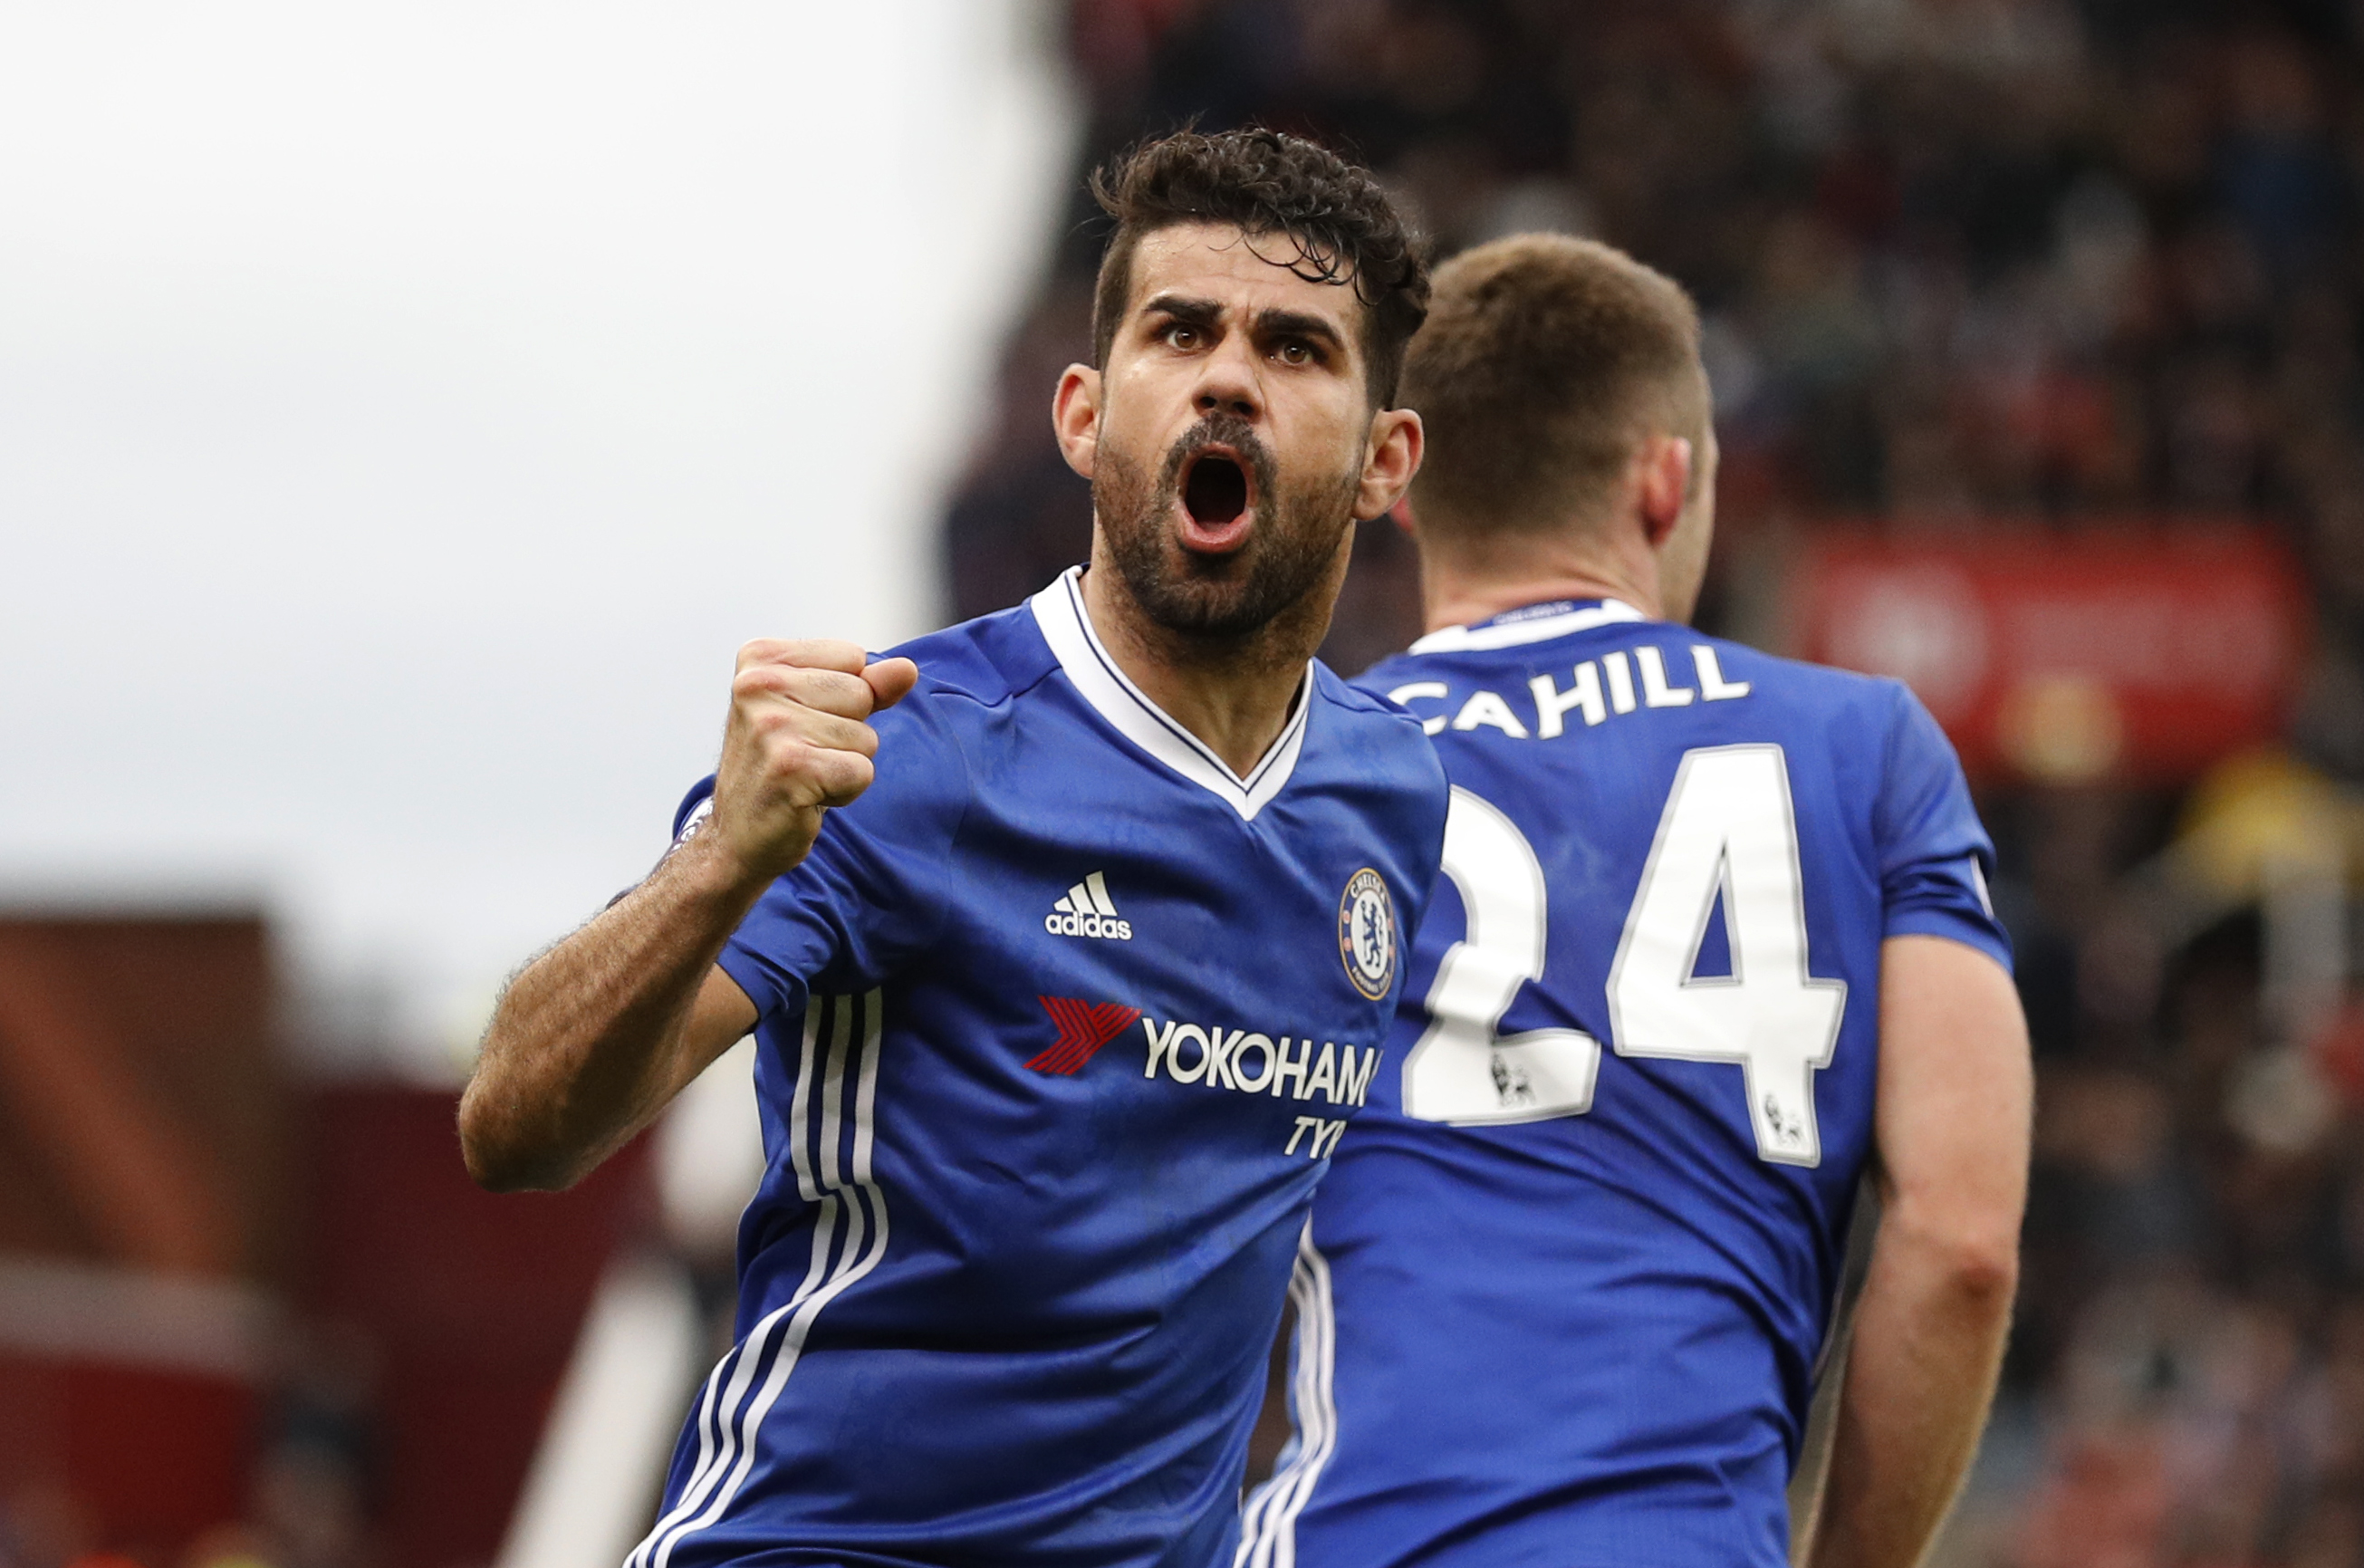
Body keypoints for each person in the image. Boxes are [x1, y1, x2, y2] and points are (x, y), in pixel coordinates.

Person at [456, 129, 1448, 1568]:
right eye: (1180, 332)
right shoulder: (907, 753)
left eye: (1294, 349)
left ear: (1382, 461)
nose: (1228, 375)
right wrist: (717, 864)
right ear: (1082, 413)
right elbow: (514, 1127)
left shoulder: (1387, 802)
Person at [1241, 235, 2032, 1568]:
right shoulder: (1865, 747)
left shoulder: (1297, 771)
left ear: (1409, 491)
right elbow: (1959, 1245)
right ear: (1665, 482)